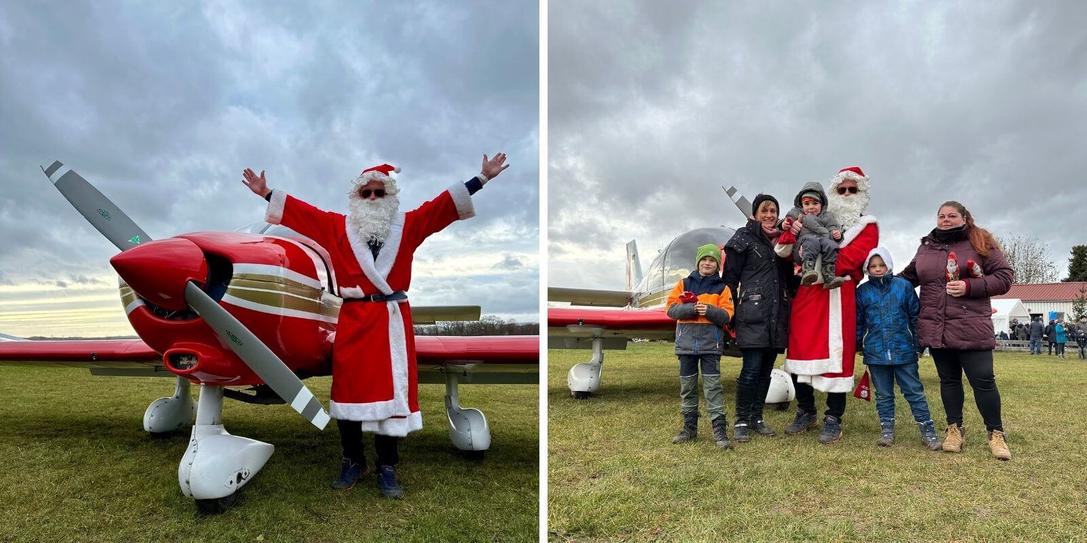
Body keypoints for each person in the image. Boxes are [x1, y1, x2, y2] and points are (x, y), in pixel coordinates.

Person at [241, 153, 510, 497]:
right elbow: (303, 213)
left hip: (391, 322)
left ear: (390, 197)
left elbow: (442, 207)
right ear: (355, 198)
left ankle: (387, 465)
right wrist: (267, 193)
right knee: (348, 392)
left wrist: (482, 178)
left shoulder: (409, 226)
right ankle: (353, 460)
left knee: (393, 395)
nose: (371, 198)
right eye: (365, 193)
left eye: (378, 193)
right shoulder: (337, 227)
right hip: (353, 321)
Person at [900, 201, 1014, 460]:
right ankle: (954, 429)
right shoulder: (926, 247)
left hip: (971, 324)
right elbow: (907, 278)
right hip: (936, 326)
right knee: (948, 380)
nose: (945, 220)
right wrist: (879, 281)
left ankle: (996, 433)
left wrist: (970, 287)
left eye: (952, 215)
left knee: (983, 381)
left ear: (964, 218)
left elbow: (1005, 276)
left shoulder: (979, 241)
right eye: (941, 216)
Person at [776, 166, 879, 444]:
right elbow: (790, 254)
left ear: (861, 193)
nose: (846, 194)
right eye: (841, 189)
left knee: (837, 356)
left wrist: (807, 255)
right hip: (808, 293)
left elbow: (850, 259)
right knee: (799, 349)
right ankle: (806, 410)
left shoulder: (867, 226)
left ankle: (834, 417)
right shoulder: (812, 220)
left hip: (838, 294)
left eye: (852, 189)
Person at [722, 194, 799, 443]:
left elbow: (790, 280)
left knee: (766, 370)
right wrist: (730, 313)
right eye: (764, 211)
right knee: (751, 369)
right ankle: (742, 420)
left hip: (778, 315)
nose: (769, 215)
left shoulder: (783, 242)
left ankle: (756, 417)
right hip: (752, 313)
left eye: (773, 211)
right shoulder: (742, 238)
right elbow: (730, 280)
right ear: (755, 214)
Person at [855, 248, 940, 450]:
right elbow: (858, 322)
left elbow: (915, 317)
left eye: (881, 265)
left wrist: (919, 345)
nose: (877, 269)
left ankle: (927, 430)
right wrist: (858, 344)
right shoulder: (862, 292)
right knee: (883, 394)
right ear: (867, 268)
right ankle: (887, 430)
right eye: (873, 266)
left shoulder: (904, 287)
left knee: (914, 392)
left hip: (904, 351)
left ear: (889, 265)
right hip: (875, 352)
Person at [666, 244, 735, 448]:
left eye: (712, 260)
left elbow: (727, 315)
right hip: (686, 345)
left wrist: (708, 311)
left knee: (713, 387)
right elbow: (670, 310)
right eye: (704, 259)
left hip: (710, 346)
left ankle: (720, 432)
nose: (707, 263)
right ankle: (689, 429)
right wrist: (690, 309)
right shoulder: (683, 283)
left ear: (717, 265)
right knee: (687, 387)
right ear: (698, 262)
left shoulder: (723, 288)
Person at [783, 182, 844, 289]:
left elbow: (832, 227)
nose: (811, 207)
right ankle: (807, 271)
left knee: (831, 245)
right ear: (801, 205)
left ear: (822, 204)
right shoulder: (798, 213)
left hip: (822, 241)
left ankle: (829, 276)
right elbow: (788, 220)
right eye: (807, 204)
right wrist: (786, 224)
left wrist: (836, 234)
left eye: (815, 203)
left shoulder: (827, 216)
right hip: (803, 244)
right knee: (812, 242)